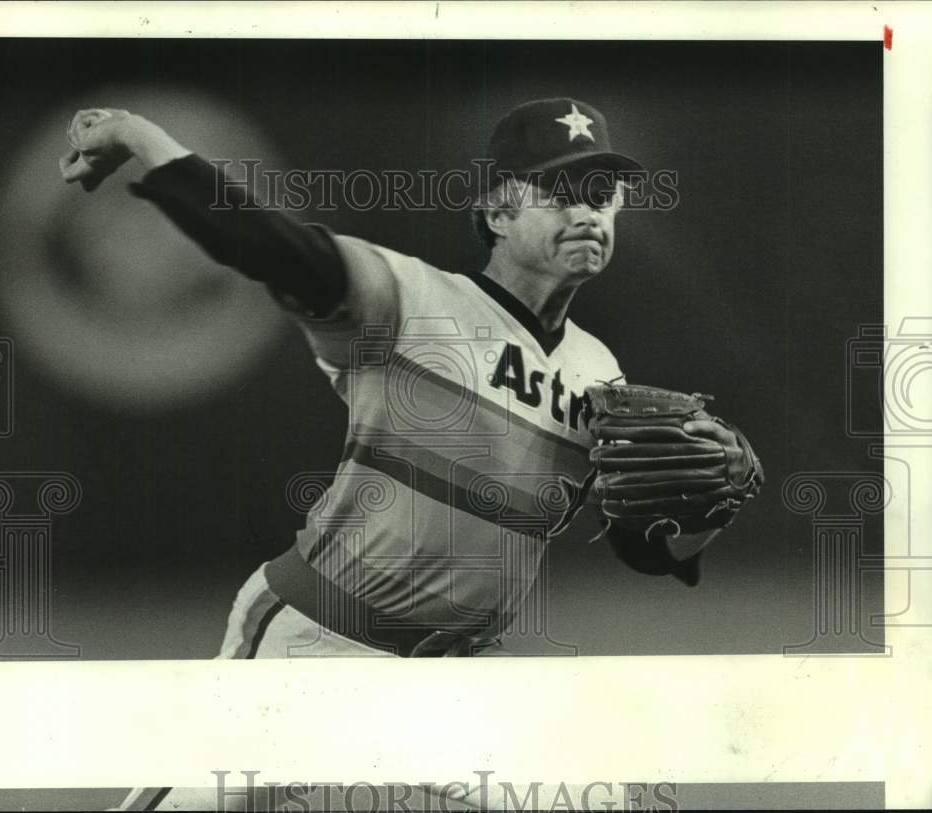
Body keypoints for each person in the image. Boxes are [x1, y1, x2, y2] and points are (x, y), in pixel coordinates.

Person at [62, 98, 758, 809]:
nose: (586, 212)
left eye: (601, 195)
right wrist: (136, 135)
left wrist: (699, 514)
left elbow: (642, 543)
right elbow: (266, 242)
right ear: (496, 211)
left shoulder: (596, 373)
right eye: (558, 192)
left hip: (445, 683)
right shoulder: (409, 301)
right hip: (315, 651)